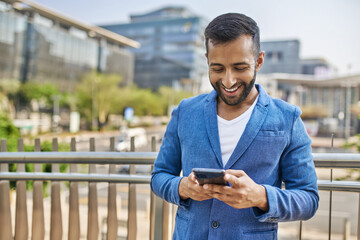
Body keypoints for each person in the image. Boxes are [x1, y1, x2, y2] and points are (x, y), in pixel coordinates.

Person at [151, 12, 319, 240]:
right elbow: (159, 176)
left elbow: (308, 199)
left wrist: (260, 196)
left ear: (259, 61)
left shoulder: (288, 118)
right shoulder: (184, 112)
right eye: (217, 69)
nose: (228, 81)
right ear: (207, 60)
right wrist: (182, 187)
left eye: (240, 68)